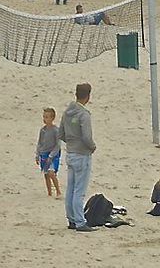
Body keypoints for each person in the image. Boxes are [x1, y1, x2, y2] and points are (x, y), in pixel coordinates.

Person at [58, 83, 96, 232]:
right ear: (88, 96)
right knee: (79, 191)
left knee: (71, 189)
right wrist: (92, 146)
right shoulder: (84, 115)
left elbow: (61, 134)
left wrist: (72, 143)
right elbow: (87, 137)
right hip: (82, 154)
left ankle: (71, 219)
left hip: (71, 153)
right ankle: (80, 222)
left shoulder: (67, 112)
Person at [36, 107, 62, 198]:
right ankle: (49, 193)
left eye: (47, 117)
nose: (45, 119)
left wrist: (51, 155)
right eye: (44, 117)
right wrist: (37, 154)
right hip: (43, 153)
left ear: (52, 118)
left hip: (53, 154)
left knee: (51, 172)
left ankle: (58, 191)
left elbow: (58, 145)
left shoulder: (56, 130)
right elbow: (40, 143)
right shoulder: (42, 130)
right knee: (46, 174)